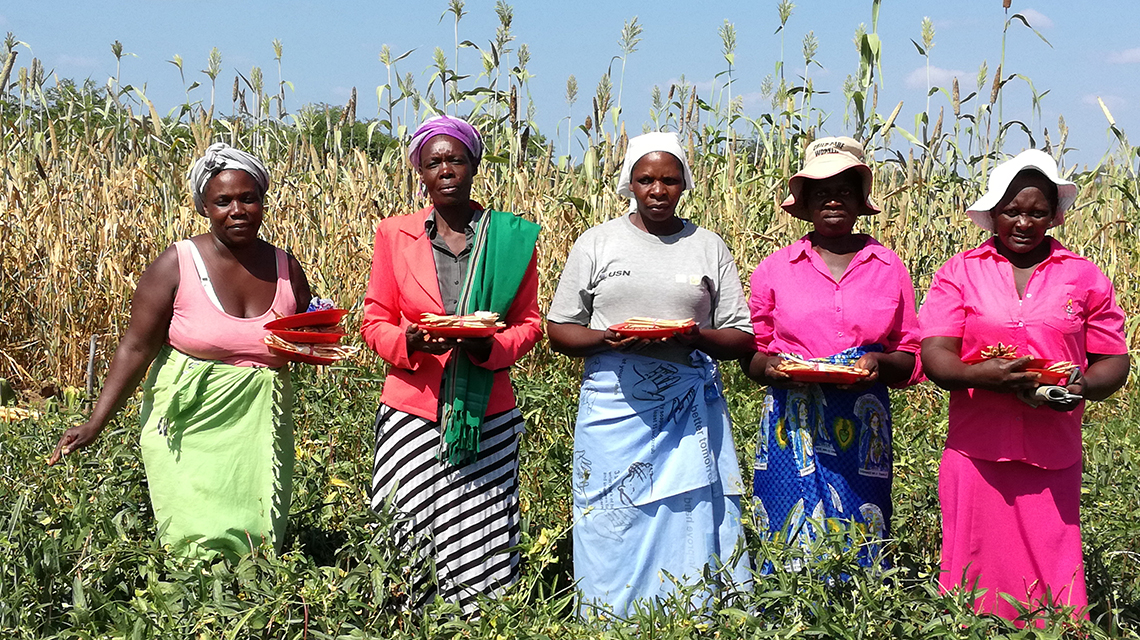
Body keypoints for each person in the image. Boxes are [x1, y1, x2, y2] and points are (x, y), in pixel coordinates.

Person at [48, 143, 313, 561]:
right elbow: (136, 346)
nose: (237, 210)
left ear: (263, 201)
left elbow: (303, 334)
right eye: (223, 201)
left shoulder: (286, 268)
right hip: (187, 426)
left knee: (257, 545)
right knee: (194, 546)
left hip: (259, 430)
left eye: (248, 198)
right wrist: (96, 422)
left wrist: (310, 346)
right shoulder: (177, 264)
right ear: (204, 207)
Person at [547, 131, 753, 617]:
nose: (658, 190)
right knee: (610, 510)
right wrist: (607, 338)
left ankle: (691, 612)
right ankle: (608, 615)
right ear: (629, 183)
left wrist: (695, 337)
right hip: (613, 406)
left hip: (688, 407)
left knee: (687, 508)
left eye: (669, 180)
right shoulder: (597, 243)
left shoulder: (707, 246)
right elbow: (559, 330)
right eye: (646, 180)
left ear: (685, 184)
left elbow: (741, 335)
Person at [919, 149, 1128, 623]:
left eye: (1037, 212)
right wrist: (981, 376)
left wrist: (1082, 385)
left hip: (1050, 448)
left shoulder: (1083, 276)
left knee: (1052, 565)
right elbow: (936, 355)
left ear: (1054, 216)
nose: (1023, 223)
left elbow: (1114, 359)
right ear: (993, 212)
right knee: (972, 566)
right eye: (1012, 211)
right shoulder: (960, 272)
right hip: (977, 448)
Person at [361, 115, 542, 613]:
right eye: (434, 162)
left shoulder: (509, 239)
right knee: (406, 517)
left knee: (482, 518)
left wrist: (489, 348)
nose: (445, 170)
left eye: (456, 160)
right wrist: (410, 342)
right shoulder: (394, 234)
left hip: (487, 407)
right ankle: (405, 616)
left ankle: (479, 618)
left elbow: (529, 322)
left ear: (474, 165)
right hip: (413, 406)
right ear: (420, 171)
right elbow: (374, 320)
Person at [744, 136, 920, 568]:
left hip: (861, 420)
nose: (833, 200)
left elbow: (910, 354)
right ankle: (789, 601)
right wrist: (773, 368)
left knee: (861, 524)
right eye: (821, 192)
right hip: (790, 419)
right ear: (805, 203)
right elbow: (754, 353)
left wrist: (878, 364)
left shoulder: (888, 266)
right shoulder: (775, 269)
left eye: (844, 190)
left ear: (860, 201)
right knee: (788, 524)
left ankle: (859, 602)